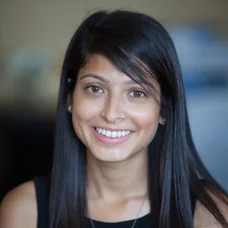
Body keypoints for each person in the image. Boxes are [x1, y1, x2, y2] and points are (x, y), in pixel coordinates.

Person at [0, 10, 228, 228]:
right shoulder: (24, 210)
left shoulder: (210, 214)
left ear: (164, 111)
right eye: (95, 88)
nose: (111, 113)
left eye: (136, 93)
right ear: (70, 96)